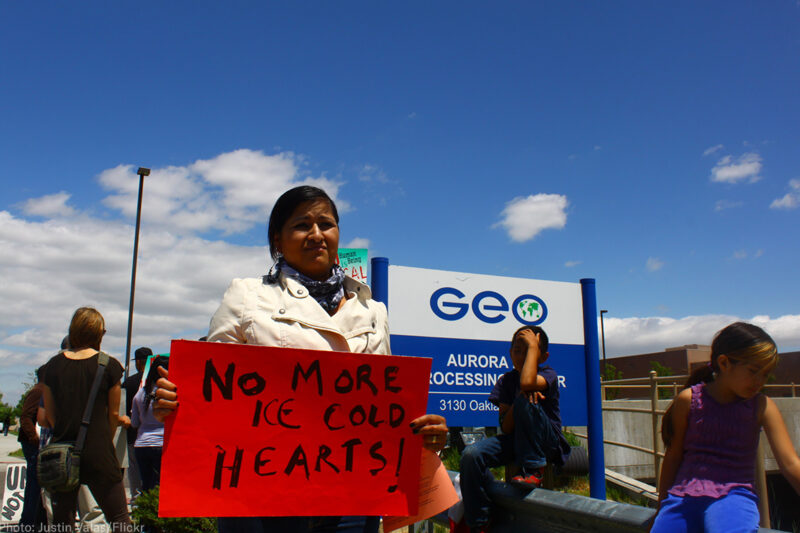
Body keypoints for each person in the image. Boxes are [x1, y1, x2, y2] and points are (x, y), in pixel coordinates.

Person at [154, 185, 448, 533]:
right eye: (301, 225)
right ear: (277, 240)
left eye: (326, 223)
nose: (316, 235)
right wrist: (177, 401)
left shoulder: (373, 310)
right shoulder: (246, 296)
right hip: (260, 497)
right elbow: (212, 398)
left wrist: (423, 432)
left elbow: (385, 407)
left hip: (353, 499)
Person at [652, 322, 800, 533]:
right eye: (753, 371)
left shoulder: (761, 406)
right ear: (724, 363)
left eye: (765, 374)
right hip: (684, 495)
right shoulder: (689, 400)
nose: (759, 381)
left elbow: (790, 463)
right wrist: (661, 508)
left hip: (735, 495)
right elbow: (674, 455)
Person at [459, 325, 570, 533]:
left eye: (527, 351)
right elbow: (506, 426)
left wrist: (525, 393)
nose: (520, 356)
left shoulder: (548, 374)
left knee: (527, 394)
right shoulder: (506, 381)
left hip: (547, 443)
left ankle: (533, 468)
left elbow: (528, 381)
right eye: (517, 351)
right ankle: (479, 521)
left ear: (542, 356)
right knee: (470, 455)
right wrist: (520, 399)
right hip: (515, 440)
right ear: (510, 353)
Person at [40, 307, 133, 532]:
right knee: (120, 518)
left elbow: (50, 417)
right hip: (99, 450)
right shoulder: (109, 366)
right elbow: (112, 416)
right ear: (98, 333)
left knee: (63, 522)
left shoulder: (50, 367)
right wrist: (103, 439)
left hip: (61, 451)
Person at [131, 355, 168, 493]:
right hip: (163, 444)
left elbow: (134, 423)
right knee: (162, 488)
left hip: (141, 445)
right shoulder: (171, 393)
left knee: (146, 486)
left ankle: (145, 512)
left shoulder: (140, 394)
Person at [18, 367, 46, 529]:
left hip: (33, 443)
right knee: (35, 484)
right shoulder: (39, 391)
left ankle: (33, 521)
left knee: (36, 484)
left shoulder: (40, 390)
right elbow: (26, 416)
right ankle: (29, 522)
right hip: (32, 444)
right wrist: (34, 439)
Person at [122, 346, 152, 497]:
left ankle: (137, 504)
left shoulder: (129, 382)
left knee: (135, 473)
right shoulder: (161, 381)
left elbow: (124, 409)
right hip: (158, 438)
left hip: (134, 436)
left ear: (139, 362)